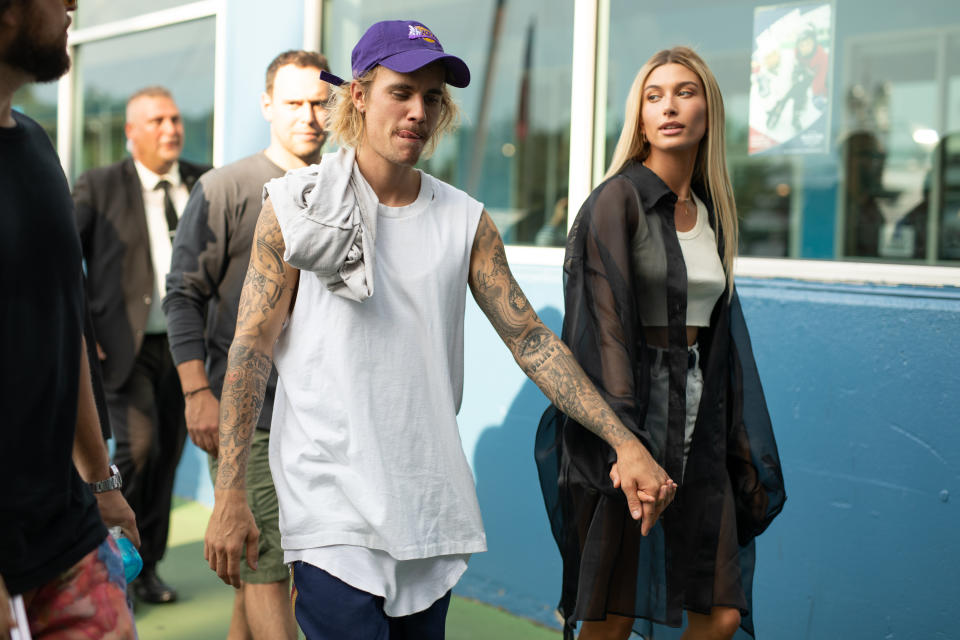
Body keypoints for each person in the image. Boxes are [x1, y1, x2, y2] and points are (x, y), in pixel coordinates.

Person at [203, 19, 677, 640]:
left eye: (432, 97)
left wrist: (625, 441)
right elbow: (251, 347)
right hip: (329, 504)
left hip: (427, 502)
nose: (417, 112)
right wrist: (230, 491)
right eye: (401, 92)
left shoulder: (464, 220)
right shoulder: (296, 206)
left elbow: (529, 338)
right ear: (360, 95)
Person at [535, 47, 786, 640]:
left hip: (702, 421)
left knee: (721, 612)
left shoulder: (711, 211)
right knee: (613, 616)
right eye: (654, 96)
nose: (669, 106)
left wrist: (736, 443)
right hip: (629, 417)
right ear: (640, 118)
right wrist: (625, 443)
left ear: (709, 111)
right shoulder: (615, 201)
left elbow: (723, 337)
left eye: (685, 92)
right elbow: (601, 333)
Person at [163, 49, 331, 639]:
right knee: (266, 576)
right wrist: (196, 393)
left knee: (271, 564)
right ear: (267, 105)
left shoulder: (341, 188)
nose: (308, 115)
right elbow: (182, 295)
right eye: (293, 102)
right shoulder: (227, 187)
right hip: (249, 416)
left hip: (314, 419)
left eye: (319, 102)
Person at [0, 0, 140, 636]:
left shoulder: (32, 142)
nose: (74, 5)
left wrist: (100, 477)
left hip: (64, 526)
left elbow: (63, 329)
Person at [74, 85, 212, 604]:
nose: (170, 129)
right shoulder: (100, 184)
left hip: (186, 350)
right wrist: (86, 330)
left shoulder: (204, 182)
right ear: (131, 132)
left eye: (175, 119)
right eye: (156, 121)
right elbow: (63, 261)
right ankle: (105, 557)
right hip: (122, 348)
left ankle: (145, 567)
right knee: (139, 448)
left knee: (168, 457)